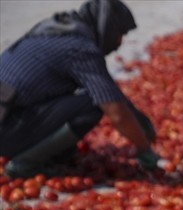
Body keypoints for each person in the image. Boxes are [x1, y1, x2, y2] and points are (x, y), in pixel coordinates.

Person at [0, 0, 160, 179]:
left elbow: (109, 91)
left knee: (82, 95)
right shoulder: (80, 48)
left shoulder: (53, 30)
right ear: (108, 27)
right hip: (6, 129)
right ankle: (25, 163)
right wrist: (144, 148)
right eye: (120, 33)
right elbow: (115, 112)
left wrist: (136, 116)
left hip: (7, 115)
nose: (119, 42)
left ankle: (48, 152)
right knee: (93, 103)